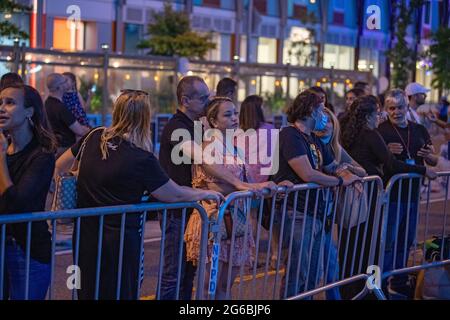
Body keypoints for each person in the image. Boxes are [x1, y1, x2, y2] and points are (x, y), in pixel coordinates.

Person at [55, 89, 223, 300]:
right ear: (145, 117)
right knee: (121, 291)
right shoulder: (141, 158)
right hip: (121, 239)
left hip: (85, 233)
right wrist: (203, 193)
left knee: (87, 290)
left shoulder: (93, 136)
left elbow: (60, 166)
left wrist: (86, 175)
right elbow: (173, 194)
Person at [339, 95, 437, 299]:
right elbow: (391, 164)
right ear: (369, 115)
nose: (383, 115)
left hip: (356, 197)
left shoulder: (351, 133)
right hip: (370, 197)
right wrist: (422, 170)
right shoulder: (372, 134)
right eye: (380, 111)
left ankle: (351, 290)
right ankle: (372, 290)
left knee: (352, 246)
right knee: (373, 248)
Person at [184, 96, 278, 299]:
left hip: (237, 222)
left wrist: (270, 185)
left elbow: (249, 180)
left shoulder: (235, 148)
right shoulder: (208, 148)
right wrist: (249, 187)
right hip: (213, 222)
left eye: (235, 113)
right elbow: (213, 186)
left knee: (226, 287)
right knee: (208, 288)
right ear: (214, 121)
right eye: (227, 114)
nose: (235, 118)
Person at [271, 89, 360, 299]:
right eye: (321, 109)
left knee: (312, 275)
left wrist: (349, 174)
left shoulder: (315, 140)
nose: (324, 114)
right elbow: (307, 173)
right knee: (297, 273)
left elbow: (332, 165)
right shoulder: (290, 135)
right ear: (310, 111)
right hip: (297, 213)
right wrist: (340, 181)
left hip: (317, 214)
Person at [377, 89, 438, 299]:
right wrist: (385, 151)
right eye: (391, 108)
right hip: (390, 196)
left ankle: (400, 281)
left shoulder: (419, 130)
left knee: (406, 241)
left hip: (412, 196)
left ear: (406, 107)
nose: (396, 112)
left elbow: (432, 161)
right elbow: (375, 161)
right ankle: (382, 283)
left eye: (400, 107)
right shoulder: (381, 131)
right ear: (386, 110)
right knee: (388, 242)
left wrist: (430, 156)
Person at [0, 84, 57, 299]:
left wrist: (0, 157)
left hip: (27, 251)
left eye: (10, 102)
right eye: (0, 102)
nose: (2, 108)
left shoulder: (41, 155)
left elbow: (17, 204)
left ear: (29, 112)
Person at [45, 73, 89, 157]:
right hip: (64, 149)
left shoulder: (48, 103)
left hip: (56, 147)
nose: (67, 83)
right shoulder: (60, 108)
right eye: (64, 81)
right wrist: (91, 130)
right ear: (59, 87)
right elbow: (79, 131)